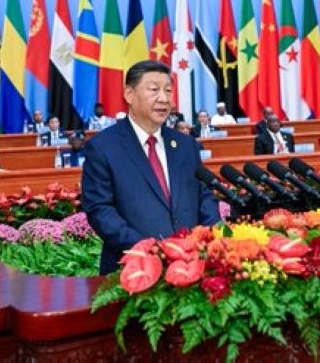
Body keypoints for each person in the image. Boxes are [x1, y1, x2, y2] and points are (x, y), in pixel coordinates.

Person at [81, 60, 219, 275]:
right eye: (154, 90)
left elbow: (204, 195)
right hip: (133, 269)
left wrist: (207, 236)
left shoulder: (186, 145)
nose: (163, 98)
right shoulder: (103, 147)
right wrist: (150, 249)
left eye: (168, 90)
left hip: (191, 267)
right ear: (129, 94)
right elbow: (100, 210)